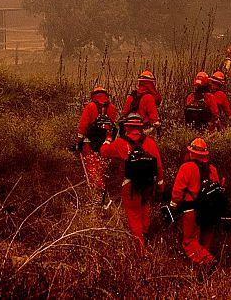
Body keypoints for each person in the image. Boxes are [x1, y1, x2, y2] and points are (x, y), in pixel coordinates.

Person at [100, 113, 163, 256]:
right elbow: (159, 167)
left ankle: (140, 252)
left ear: (126, 127)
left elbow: (103, 152)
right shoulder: (150, 143)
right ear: (141, 127)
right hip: (148, 185)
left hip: (130, 186)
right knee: (144, 210)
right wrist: (160, 186)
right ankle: (145, 237)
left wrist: (108, 139)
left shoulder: (121, 143)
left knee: (134, 217)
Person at [169, 137, 223, 272]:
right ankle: (203, 274)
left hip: (191, 210)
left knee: (189, 242)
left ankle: (209, 261)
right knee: (205, 243)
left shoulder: (186, 167)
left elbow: (177, 191)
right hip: (210, 211)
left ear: (192, 152)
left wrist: (173, 206)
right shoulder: (212, 169)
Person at [75, 85, 117, 199]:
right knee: (103, 165)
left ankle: (95, 191)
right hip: (106, 143)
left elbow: (83, 125)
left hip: (90, 141)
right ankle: (103, 188)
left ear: (93, 95)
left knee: (92, 164)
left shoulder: (90, 106)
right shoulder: (112, 107)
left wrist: (78, 141)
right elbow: (112, 126)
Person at [123, 70, 161, 134]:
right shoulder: (149, 97)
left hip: (130, 128)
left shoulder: (131, 96)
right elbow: (153, 117)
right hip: (144, 127)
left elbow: (124, 112)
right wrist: (157, 124)